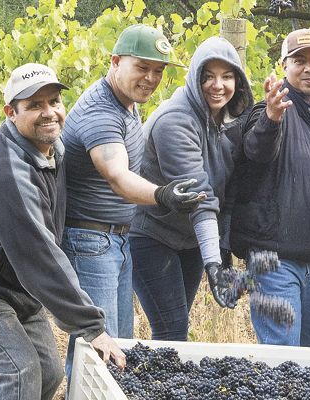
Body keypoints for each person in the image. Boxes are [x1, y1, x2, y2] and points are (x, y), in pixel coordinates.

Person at [0, 63, 126, 400]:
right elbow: (39, 253)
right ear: (11, 112)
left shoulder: (54, 151)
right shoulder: (6, 171)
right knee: (18, 375)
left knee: (47, 375)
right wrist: (91, 327)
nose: (48, 112)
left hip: (13, 282)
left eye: (54, 101)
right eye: (34, 105)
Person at [60, 24, 203, 374]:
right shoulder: (102, 112)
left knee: (114, 347)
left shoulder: (125, 102)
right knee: (97, 351)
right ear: (115, 61)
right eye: (142, 67)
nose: (151, 78)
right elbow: (117, 177)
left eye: (158, 70)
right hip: (90, 241)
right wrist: (162, 194)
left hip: (114, 239)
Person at [230, 29, 310, 347]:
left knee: (309, 357)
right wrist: (273, 119)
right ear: (284, 64)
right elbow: (256, 150)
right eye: (299, 60)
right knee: (282, 359)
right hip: (273, 261)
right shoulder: (267, 110)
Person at [130, 36, 254, 340]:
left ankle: (159, 383)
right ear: (194, 77)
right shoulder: (176, 121)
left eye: (226, 77)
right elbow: (200, 197)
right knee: (172, 329)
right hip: (152, 235)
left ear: (238, 81)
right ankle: (156, 387)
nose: (218, 85)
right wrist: (213, 266)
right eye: (208, 76)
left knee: (176, 324)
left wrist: (221, 257)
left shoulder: (224, 122)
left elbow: (227, 196)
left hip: (189, 241)